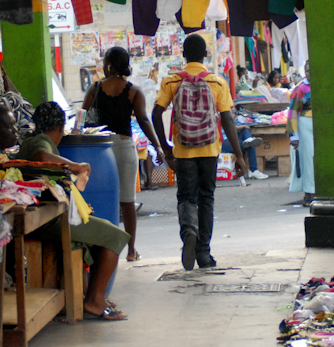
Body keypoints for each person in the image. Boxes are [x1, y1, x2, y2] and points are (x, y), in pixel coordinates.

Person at [17, 102, 129, 320]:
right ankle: (95, 301)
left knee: (94, 236)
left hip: (43, 215)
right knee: (114, 235)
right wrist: (76, 166)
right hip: (46, 220)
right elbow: (43, 158)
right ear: (61, 128)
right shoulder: (42, 141)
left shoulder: (29, 141)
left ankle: (89, 295)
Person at [152, 34, 246, 271]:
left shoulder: (171, 81)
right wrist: (239, 155)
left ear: (183, 54)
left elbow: (156, 114)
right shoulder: (217, 82)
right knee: (206, 198)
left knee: (186, 197)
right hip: (209, 150)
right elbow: (227, 120)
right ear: (205, 54)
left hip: (183, 151)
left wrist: (166, 148)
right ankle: (203, 253)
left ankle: (189, 232)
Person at [82, 47, 165, 262]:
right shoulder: (134, 91)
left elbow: (83, 117)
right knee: (127, 202)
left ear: (109, 65)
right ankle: (131, 251)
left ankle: (101, 250)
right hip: (124, 147)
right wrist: (157, 146)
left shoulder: (94, 88)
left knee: (100, 199)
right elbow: (143, 120)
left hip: (99, 149)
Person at [288, 61, 315, 206]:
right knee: (308, 160)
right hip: (305, 127)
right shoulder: (301, 89)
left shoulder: (323, 86)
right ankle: (310, 194)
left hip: (319, 127)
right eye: (308, 70)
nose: (311, 73)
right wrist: (294, 135)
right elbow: (293, 112)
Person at [220, 114, 267, 180]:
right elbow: (229, 125)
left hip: (231, 138)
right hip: (224, 142)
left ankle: (249, 139)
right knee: (249, 142)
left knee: (248, 135)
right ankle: (253, 170)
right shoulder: (218, 113)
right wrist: (242, 125)